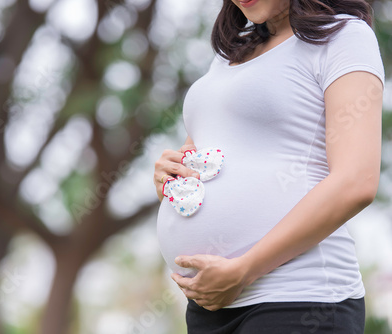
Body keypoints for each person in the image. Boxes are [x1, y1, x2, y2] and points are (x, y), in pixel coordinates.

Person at [152, 0, 385, 332]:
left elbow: (356, 181)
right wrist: (169, 174)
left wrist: (245, 269)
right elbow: (216, 153)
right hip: (210, 306)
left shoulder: (344, 36)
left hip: (298, 297)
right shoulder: (228, 56)